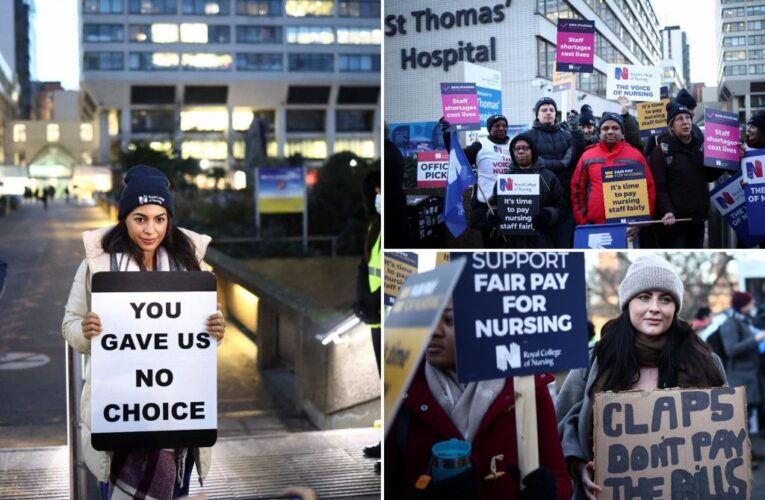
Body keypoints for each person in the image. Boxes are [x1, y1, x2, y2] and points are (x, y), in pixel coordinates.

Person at [61, 165, 226, 499]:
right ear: (124, 217)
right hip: (119, 410)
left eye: (160, 218)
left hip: (176, 417)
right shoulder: (98, 267)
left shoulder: (193, 267)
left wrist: (216, 330)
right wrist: (85, 329)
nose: (151, 229)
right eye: (140, 218)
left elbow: (201, 338)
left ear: (169, 219)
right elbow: (69, 325)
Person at [555, 255, 727, 500]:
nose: (655, 307)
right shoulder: (595, 359)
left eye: (665, 299)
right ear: (628, 303)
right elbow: (562, 423)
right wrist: (579, 467)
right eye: (644, 297)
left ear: (675, 307)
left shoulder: (706, 362)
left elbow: (726, 435)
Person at [385, 300, 573, 499]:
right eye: (428, 319)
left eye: (449, 320)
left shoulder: (528, 386)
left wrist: (550, 494)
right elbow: (390, 487)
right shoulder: (400, 393)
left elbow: (559, 476)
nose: (433, 331)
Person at [648, 102, 725, 248]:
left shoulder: (700, 147)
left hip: (697, 218)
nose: (685, 122)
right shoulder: (662, 151)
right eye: (679, 119)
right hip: (675, 222)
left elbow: (709, 175)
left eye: (687, 118)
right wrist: (667, 211)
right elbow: (659, 186)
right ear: (671, 126)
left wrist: (726, 161)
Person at [570, 113, 656, 238]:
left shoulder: (635, 156)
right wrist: (584, 222)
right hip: (595, 227)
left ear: (622, 133)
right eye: (605, 128)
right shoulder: (587, 156)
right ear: (599, 132)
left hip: (628, 230)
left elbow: (649, 190)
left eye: (615, 128)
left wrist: (640, 222)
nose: (610, 131)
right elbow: (577, 191)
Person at [438, 114, 512, 248]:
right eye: (497, 126)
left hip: (512, 202)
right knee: (491, 245)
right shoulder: (480, 145)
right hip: (486, 203)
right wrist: (448, 135)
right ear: (489, 129)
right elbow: (459, 156)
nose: (501, 128)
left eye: (504, 126)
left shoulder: (514, 145)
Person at [488, 133, 569, 248]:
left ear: (533, 151)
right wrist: (493, 214)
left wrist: (548, 215)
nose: (520, 152)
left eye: (525, 148)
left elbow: (563, 208)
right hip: (510, 242)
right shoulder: (504, 178)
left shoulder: (548, 177)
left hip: (541, 240)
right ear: (512, 153)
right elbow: (494, 204)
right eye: (516, 149)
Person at [524, 97, 585, 248]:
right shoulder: (529, 136)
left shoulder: (566, 135)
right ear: (537, 114)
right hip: (539, 201)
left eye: (551, 110)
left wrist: (576, 130)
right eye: (544, 110)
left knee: (563, 244)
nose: (548, 113)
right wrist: (561, 164)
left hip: (564, 200)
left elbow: (578, 155)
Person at [353, 169, 382, 471]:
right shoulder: (375, 225)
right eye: (375, 191)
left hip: (393, 316)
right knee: (384, 383)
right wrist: (361, 301)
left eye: (381, 190)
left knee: (395, 385)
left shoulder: (387, 226)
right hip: (377, 320)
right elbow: (367, 266)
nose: (378, 197)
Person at [720, 292, 765, 436]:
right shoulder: (730, 324)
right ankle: (742, 452)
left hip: (749, 377)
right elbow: (731, 349)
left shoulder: (743, 321)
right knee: (741, 419)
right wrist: (756, 339)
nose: (753, 306)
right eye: (750, 303)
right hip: (740, 378)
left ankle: (748, 450)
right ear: (743, 305)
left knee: (747, 417)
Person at [645, 88, 703, 158]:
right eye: (690, 109)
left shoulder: (696, 130)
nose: (693, 112)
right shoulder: (659, 132)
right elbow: (648, 155)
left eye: (687, 117)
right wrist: (658, 156)